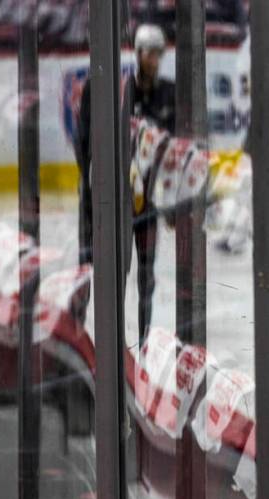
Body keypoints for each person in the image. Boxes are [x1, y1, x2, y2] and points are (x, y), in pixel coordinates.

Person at [76, 23, 175, 343]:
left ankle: (143, 339)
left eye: (159, 54)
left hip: (146, 201)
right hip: (113, 200)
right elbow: (84, 144)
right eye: (150, 54)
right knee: (108, 271)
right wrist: (94, 192)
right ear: (138, 53)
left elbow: (170, 148)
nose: (155, 61)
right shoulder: (111, 90)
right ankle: (99, 337)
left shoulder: (165, 94)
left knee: (146, 274)